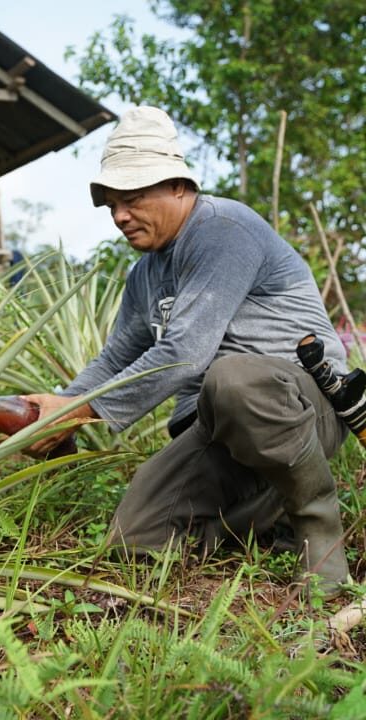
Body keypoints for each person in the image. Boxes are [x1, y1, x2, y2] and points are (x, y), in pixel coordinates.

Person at [25, 106, 351, 595]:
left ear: (179, 186)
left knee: (233, 377)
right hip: (220, 427)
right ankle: (268, 521)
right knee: (136, 537)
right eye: (112, 204)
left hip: (301, 410)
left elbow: (187, 351)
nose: (119, 216)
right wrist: (61, 410)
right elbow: (115, 359)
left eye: (132, 198)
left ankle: (320, 537)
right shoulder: (146, 274)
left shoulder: (223, 229)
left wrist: (82, 411)